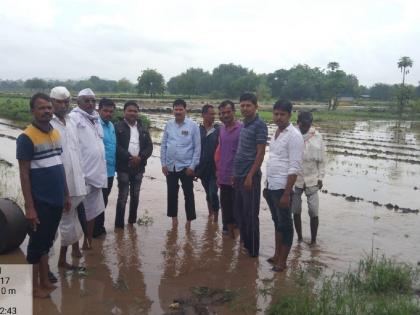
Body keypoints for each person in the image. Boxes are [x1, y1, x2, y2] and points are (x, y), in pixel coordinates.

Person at [16, 93, 70, 298]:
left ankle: (45, 281)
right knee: (36, 246)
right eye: (41, 108)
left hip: (56, 199)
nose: (47, 111)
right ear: (33, 111)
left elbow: (59, 165)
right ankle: (32, 287)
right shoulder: (26, 137)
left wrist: (66, 194)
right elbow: (24, 174)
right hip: (40, 202)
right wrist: (30, 207)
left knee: (46, 242)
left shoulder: (55, 133)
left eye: (49, 107)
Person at [263, 100, 304, 272]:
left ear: (290, 115)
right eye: (276, 114)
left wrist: (287, 193)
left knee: (286, 225)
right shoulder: (276, 133)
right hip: (272, 185)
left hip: (283, 188)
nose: (278, 117)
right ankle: (276, 254)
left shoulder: (294, 135)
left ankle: (283, 261)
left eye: (282, 114)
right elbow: (273, 160)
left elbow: (294, 167)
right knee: (277, 222)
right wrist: (266, 186)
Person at [50, 87, 87, 269]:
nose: (63, 105)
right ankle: (60, 261)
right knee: (64, 221)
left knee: (72, 217)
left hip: (77, 180)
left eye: (66, 102)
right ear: (52, 102)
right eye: (59, 101)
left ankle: (72, 251)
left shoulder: (72, 121)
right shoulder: (49, 124)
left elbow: (77, 151)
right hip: (60, 183)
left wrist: (83, 176)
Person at [69, 88, 107, 250]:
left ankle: (88, 241)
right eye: (86, 100)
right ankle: (75, 246)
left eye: (93, 100)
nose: (91, 103)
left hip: (96, 174)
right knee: (75, 214)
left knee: (92, 211)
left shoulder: (96, 119)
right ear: (78, 102)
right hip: (81, 176)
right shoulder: (73, 119)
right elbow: (71, 147)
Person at [233, 93, 268, 257]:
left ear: (256, 107)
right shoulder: (245, 124)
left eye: (248, 105)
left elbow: (260, 153)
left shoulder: (260, 125)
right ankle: (246, 245)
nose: (245, 108)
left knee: (251, 214)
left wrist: (250, 176)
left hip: (250, 176)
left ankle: (253, 252)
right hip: (239, 175)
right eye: (242, 105)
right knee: (241, 213)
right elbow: (241, 151)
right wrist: (235, 173)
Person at [161, 99, 200, 229]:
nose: (178, 112)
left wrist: (192, 166)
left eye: (180, 109)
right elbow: (163, 145)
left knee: (188, 194)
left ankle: (189, 221)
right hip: (170, 166)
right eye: (176, 109)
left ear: (185, 110)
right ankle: (174, 219)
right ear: (173, 110)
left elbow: (197, 148)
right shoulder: (169, 125)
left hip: (186, 167)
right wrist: (163, 163)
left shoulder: (193, 126)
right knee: (171, 193)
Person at [114, 100, 153, 228]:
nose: (132, 113)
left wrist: (140, 158)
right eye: (130, 110)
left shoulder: (143, 127)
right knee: (123, 196)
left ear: (138, 113)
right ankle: (119, 226)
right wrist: (130, 157)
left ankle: (131, 223)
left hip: (139, 168)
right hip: (123, 167)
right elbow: (116, 146)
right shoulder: (117, 126)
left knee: (135, 195)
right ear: (124, 112)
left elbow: (149, 147)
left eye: (135, 111)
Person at [292, 111, 326, 245]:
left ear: (311, 124)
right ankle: (299, 238)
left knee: (313, 210)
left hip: (312, 178)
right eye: (302, 125)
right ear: (298, 123)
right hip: (295, 178)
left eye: (307, 125)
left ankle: (313, 241)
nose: (305, 128)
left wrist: (321, 177)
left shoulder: (317, 137)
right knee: (296, 210)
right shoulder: (292, 135)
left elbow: (322, 159)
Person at [216, 100, 242, 237]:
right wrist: (218, 173)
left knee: (238, 213)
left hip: (236, 178)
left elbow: (244, 155)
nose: (225, 115)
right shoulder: (221, 129)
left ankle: (240, 245)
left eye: (228, 112)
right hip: (223, 177)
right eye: (222, 113)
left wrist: (238, 174)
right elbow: (220, 152)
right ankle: (230, 247)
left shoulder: (241, 129)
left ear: (234, 112)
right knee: (226, 212)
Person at [94, 98, 116, 237]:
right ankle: (96, 230)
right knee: (97, 201)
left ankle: (98, 227)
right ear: (99, 110)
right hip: (98, 171)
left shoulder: (111, 126)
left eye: (111, 111)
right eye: (105, 111)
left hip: (110, 171)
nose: (108, 113)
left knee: (104, 200)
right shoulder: (95, 125)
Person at [195, 104, 220, 222]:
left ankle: (216, 216)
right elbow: (193, 149)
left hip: (215, 168)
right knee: (207, 192)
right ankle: (210, 214)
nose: (213, 116)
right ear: (204, 115)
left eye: (214, 114)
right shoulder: (197, 130)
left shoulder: (218, 129)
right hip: (202, 168)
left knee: (213, 193)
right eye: (211, 114)